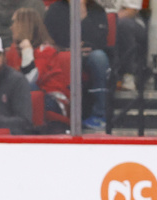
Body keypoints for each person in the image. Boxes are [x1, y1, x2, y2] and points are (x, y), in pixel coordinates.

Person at [43, 0, 110, 130]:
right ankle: (65, 115)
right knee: (66, 59)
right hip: (63, 52)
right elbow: (50, 37)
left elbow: (100, 40)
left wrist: (83, 13)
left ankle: (99, 114)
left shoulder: (97, 10)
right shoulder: (55, 9)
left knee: (100, 58)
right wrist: (70, 48)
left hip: (89, 53)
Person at [115, 0, 147, 93]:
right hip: (105, 22)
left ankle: (128, 75)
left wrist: (112, 19)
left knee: (124, 25)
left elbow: (132, 11)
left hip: (132, 22)